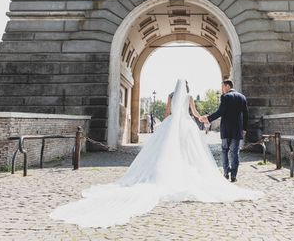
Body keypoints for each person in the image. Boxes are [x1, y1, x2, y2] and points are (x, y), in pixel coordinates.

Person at [50, 79, 262, 228]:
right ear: (187, 88)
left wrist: (170, 118)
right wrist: (201, 118)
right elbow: (195, 113)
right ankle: (228, 173)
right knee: (195, 150)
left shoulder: (171, 95)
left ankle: (173, 171)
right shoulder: (191, 96)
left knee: (166, 150)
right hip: (189, 126)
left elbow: (167, 112)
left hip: (173, 126)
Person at [199, 79, 248, 183]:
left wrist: (208, 118)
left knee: (225, 151)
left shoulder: (225, 97)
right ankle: (234, 175)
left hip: (226, 129)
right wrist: (244, 128)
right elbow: (246, 115)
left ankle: (226, 172)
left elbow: (220, 112)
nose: (222, 89)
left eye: (222, 87)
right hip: (237, 130)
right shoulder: (242, 97)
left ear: (227, 86)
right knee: (235, 153)